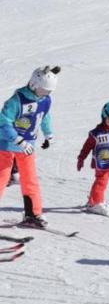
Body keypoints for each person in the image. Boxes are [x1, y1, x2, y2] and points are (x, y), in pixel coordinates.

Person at [0, 65, 58, 228]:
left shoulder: (45, 100)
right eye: (42, 90)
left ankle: (33, 214)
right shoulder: (16, 100)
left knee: (30, 180)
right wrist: (18, 140)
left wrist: (48, 134)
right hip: (6, 144)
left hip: (28, 147)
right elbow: (3, 122)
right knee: (2, 178)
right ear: (33, 84)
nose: (45, 94)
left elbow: (44, 116)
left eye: (48, 92)